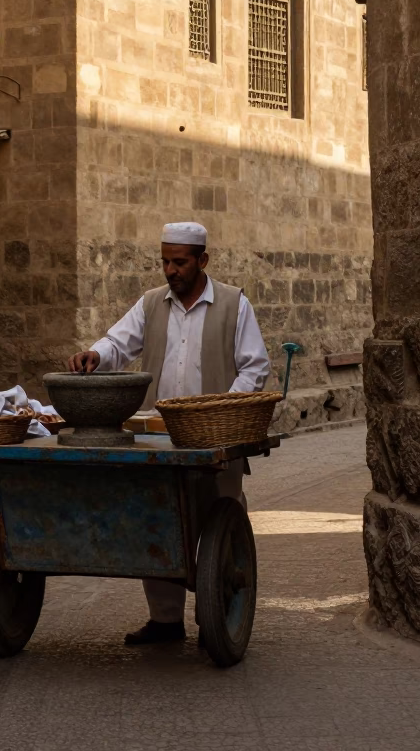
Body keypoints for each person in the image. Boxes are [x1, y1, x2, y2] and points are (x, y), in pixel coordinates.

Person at [68, 221, 271, 645]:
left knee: (220, 516)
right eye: (164, 261)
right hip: (160, 438)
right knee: (159, 522)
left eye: (179, 262)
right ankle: (165, 620)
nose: (170, 270)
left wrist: (223, 409)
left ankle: (219, 615)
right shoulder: (151, 304)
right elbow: (118, 344)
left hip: (217, 439)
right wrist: (95, 355)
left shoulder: (235, 304)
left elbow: (255, 367)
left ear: (202, 261)